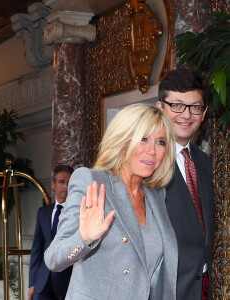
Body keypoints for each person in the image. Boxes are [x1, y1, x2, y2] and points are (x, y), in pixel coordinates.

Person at [44, 104, 178, 300]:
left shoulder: (156, 194)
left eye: (160, 142)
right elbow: (53, 258)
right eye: (143, 139)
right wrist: (84, 238)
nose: (152, 151)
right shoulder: (91, 181)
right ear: (122, 141)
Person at [156, 68, 214, 300]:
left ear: (204, 112)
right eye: (177, 105)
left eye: (195, 107)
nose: (186, 115)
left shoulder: (204, 162)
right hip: (162, 291)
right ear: (160, 107)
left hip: (202, 289)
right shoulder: (147, 161)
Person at [28, 165, 74, 300]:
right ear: (53, 185)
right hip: (42, 282)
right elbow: (37, 249)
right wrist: (32, 282)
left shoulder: (79, 214)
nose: (66, 187)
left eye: (69, 183)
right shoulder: (43, 213)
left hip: (67, 282)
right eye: (61, 182)